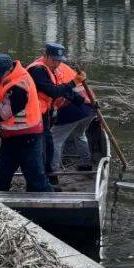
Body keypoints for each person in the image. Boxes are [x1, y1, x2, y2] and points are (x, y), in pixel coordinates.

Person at [0, 54, 53, 193]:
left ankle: (50, 206)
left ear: (8, 71)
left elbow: (3, 114)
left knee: (36, 179)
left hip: (28, 139)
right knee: (1, 177)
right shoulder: (8, 74)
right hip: (10, 138)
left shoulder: (20, 87)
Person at [27, 43, 96, 177]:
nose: (57, 63)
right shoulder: (39, 70)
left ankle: (54, 169)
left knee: (55, 140)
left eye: (59, 60)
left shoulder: (54, 69)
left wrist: (84, 100)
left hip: (77, 110)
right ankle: (86, 163)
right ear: (45, 55)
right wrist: (77, 87)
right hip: (86, 110)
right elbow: (55, 92)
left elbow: (64, 92)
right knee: (79, 135)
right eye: (54, 60)